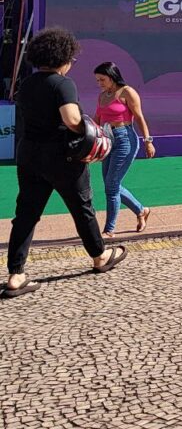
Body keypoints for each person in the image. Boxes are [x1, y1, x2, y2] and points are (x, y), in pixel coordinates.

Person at [5, 28, 128, 298]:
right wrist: (92, 132)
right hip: (61, 156)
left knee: (26, 212)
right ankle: (99, 256)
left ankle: (16, 274)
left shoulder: (27, 83)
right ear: (63, 58)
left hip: (29, 154)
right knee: (81, 206)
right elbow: (72, 119)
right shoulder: (63, 84)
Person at [93, 62, 156, 238]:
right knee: (110, 184)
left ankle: (109, 229)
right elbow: (97, 119)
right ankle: (141, 210)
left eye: (102, 79)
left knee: (111, 185)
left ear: (112, 77)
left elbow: (139, 117)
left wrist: (148, 141)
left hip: (125, 139)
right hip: (107, 140)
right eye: (97, 80)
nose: (100, 83)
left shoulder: (127, 92)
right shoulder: (102, 96)